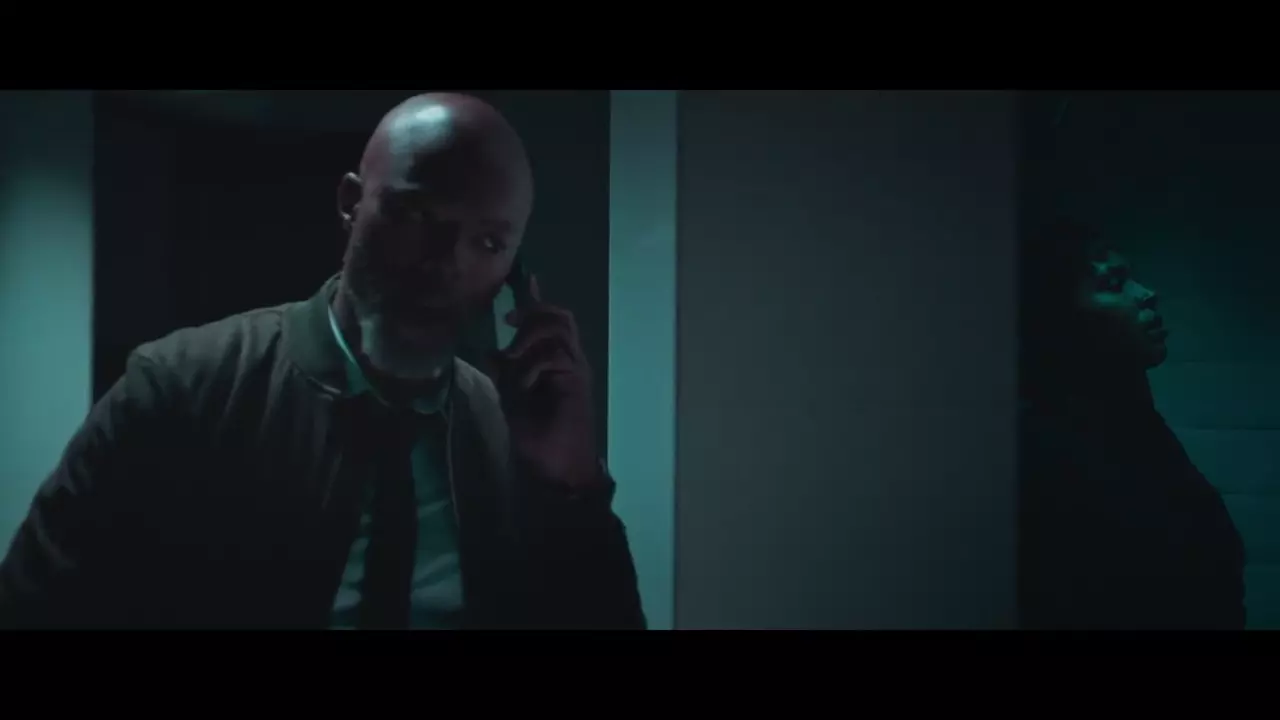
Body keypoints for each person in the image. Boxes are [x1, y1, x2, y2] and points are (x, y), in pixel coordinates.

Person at [0, 93, 645, 629]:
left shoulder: (508, 435)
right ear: (350, 203)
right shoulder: (181, 388)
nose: (446, 263)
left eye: (488, 242)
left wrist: (574, 486)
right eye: (418, 215)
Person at [1017, 220, 1246, 630]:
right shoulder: (1041, 455)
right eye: (1113, 282)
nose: (1146, 293)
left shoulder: (1132, 426)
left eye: (1132, 277)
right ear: (1055, 319)